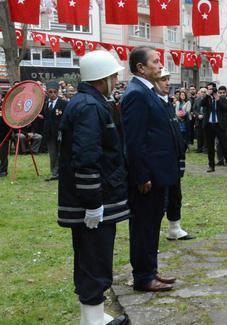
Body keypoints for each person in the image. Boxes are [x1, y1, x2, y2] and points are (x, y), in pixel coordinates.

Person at [57, 50, 129, 325]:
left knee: (92, 257)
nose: (115, 80)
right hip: (91, 201)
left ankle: (94, 314)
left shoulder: (91, 102)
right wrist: (92, 203)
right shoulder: (89, 106)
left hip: (94, 197)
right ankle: (93, 319)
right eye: (113, 75)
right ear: (102, 78)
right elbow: (86, 158)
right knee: (93, 258)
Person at [122, 46, 178, 293]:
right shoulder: (136, 94)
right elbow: (134, 140)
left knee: (152, 224)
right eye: (155, 61)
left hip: (158, 173)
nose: (159, 64)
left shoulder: (149, 92)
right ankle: (143, 276)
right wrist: (141, 174)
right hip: (148, 177)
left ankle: (151, 271)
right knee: (144, 226)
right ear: (140, 68)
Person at [153, 68, 195, 241]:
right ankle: (152, 234)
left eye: (168, 79)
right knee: (159, 200)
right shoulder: (152, 102)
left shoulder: (167, 102)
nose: (167, 83)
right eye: (163, 79)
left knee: (175, 195)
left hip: (173, 158)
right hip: (160, 160)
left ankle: (174, 228)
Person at [202, 83, 227, 173]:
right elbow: (201, 104)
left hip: (219, 125)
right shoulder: (207, 98)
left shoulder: (221, 98)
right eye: (209, 89)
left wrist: (218, 100)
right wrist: (207, 95)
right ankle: (211, 166)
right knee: (210, 147)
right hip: (209, 125)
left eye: (212, 89)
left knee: (225, 146)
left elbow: (226, 109)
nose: (211, 90)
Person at [42, 82, 67, 181]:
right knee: (52, 153)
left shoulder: (63, 103)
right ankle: (53, 172)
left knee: (59, 153)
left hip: (59, 132)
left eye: (55, 92)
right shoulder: (46, 103)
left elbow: (65, 118)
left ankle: (57, 172)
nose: (53, 94)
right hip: (49, 133)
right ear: (47, 93)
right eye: (50, 92)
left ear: (58, 92)